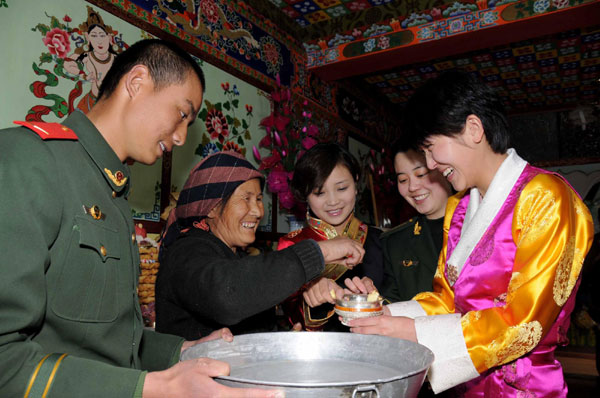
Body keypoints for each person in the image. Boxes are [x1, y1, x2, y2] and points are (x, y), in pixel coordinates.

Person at [0, 39, 283, 398]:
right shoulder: (27, 161)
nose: (181, 137)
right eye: (182, 114)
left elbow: (109, 339)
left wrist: (185, 351)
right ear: (137, 82)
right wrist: (151, 387)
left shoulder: (114, 195)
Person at [348, 70, 594, 396]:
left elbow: (524, 323)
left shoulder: (545, 197)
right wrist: (383, 315)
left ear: (474, 129)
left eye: (433, 148)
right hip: (472, 385)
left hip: (524, 388)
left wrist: (414, 332)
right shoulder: (460, 209)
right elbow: (448, 299)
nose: (432, 164)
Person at [155, 150, 365, 339]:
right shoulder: (186, 252)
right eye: (246, 199)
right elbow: (228, 296)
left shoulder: (233, 257)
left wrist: (282, 341)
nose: (257, 211)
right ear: (212, 207)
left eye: (257, 199)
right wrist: (321, 250)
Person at [278, 142, 383, 331]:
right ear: (306, 196)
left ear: (356, 182)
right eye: (319, 193)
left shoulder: (380, 239)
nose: (333, 201)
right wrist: (313, 293)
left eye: (342, 188)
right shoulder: (292, 244)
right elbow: (291, 314)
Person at [380, 139, 453, 303]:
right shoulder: (395, 243)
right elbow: (390, 303)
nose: (412, 187)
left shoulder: (481, 225)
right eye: (403, 180)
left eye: (420, 174)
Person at [64, 6, 120, 113]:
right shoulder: (86, 56)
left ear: (109, 38)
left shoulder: (117, 59)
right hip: (91, 103)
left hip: (111, 106)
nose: (99, 41)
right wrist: (82, 74)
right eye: (94, 36)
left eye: (102, 35)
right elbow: (67, 64)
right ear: (88, 38)